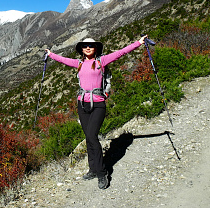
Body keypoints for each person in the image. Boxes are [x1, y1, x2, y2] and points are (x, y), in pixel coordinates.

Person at [44, 35, 147, 189]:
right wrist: (51, 54)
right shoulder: (78, 63)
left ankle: (101, 172)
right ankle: (92, 168)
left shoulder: (101, 61)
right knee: (88, 138)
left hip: (98, 104)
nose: (87, 48)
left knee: (92, 136)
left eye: (90, 46)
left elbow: (121, 52)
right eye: (85, 46)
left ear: (96, 48)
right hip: (82, 104)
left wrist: (138, 43)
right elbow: (63, 60)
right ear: (81, 49)